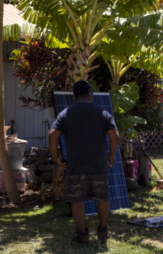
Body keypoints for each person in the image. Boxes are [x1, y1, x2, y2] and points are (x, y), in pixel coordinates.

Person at [49, 81, 119, 244]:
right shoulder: (102, 112)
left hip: (75, 165)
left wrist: (56, 157)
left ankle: (82, 235)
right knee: (102, 198)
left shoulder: (66, 113)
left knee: (77, 200)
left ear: (75, 95)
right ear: (89, 93)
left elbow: (52, 135)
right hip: (99, 164)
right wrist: (112, 154)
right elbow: (114, 136)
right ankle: (102, 232)